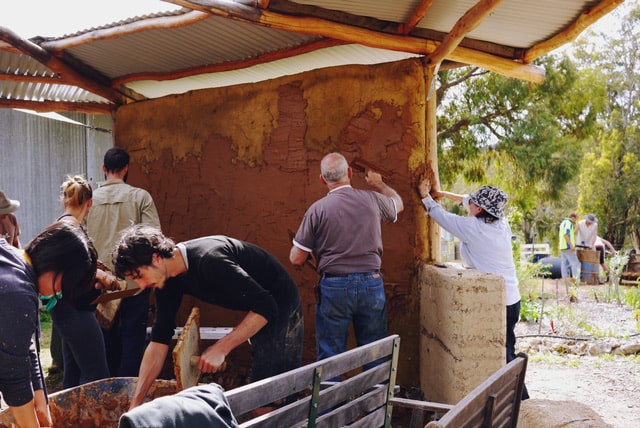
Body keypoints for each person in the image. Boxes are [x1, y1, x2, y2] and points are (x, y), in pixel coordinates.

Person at [112, 225, 304, 410]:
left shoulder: (210, 259)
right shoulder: (166, 282)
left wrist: (221, 348)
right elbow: (158, 341)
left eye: (140, 275)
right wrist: (136, 401)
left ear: (156, 258)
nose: (142, 285)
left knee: (270, 401)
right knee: (261, 398)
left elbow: (267, 307)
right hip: (261, 307)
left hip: (281, 304)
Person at [417, 178, 529, 400]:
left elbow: (441, 216)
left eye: (473, 204)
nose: (468, 204)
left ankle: (521, 401)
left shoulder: (472, 228)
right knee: (507, 349)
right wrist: (441, 193)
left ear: (478, 209)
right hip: (513, 299)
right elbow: (465, 200)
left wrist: (425, 196)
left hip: (497, 302)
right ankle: (513, 398)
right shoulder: (501, 222)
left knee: (503, 356)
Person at [289, 152, 403, 367]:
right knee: (375, 351)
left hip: (334, 287)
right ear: (350, 173)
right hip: (372, 283)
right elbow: (398, 204)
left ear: (322, 179)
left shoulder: (317, 210)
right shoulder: (373, 199)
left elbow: (296, 258)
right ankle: (376, 399)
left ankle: (331, 399)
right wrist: (380, 184)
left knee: (331, 355)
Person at [1, 221, 99, 427]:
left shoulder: (14, 261)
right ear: (55, 267)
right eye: (64, 287)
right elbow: (12, 375)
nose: (60, 295)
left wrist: (42, 406)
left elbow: (25, 347)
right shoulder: (17, 291)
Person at [86, 146, 162, 377]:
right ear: (126, 168)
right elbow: (154, 236)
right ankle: (129, 389)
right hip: (133, 282)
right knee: (132, 338)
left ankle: (107, 386)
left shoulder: (89, 200)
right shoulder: (140, 197)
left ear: (103, 168)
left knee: (104, 336)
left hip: (99, 283)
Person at [48, 176, 110, 388]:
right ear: (89, 203)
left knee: (73, 377)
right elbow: (71, 273)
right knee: (98, 376)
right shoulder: (70, 229)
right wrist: (101, 276)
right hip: (75, 309)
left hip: (67, 308)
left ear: (64, 200)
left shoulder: (65, 226)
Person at [558, 212, 580, 286]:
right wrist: (571, 245)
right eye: (576, 219)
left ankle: (565, 279)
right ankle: (576, 279)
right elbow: (566, 234)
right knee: (575, 263)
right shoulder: (568, 223)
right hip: (568, 246)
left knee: (564, 263)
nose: (575, 221)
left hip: (562, 246)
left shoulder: (562, 223)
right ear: (573, 217)